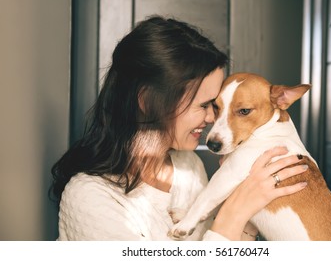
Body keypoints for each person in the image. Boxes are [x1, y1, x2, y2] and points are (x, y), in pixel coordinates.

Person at [50, 15, 308, 241]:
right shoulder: (90, 197)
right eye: (207, 105)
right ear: (148, 101)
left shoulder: (188, 166)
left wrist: (248, 219)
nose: (211, 119)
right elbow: (222, 233)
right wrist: (234, 212)